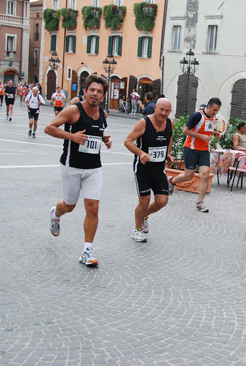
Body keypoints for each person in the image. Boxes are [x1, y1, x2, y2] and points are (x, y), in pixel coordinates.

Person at [44, 73, 113, 267]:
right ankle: (55, 214)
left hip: (93, 168)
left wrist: (104, 139)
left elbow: (96, 133)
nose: (95, 94)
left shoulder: (103, 115)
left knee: (93, 207)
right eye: (91, 90)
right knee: (69, 205)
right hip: (72, 166)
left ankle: (86, 252)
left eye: (99, 91)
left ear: (103, 96)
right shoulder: (73, 111)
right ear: (85, 92)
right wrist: (71, 137)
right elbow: (49, 128)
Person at [124, 98, 174, 243]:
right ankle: (137, 229)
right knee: (144, 201)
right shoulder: (144, 123)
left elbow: (169, 138)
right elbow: (127, 141)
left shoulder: (170, 123)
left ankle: (144, 216)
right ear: (155, 109)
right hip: (143, 170)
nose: (163, 113)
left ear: (170, 112)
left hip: (159, 170)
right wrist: (140, 153)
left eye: (167, 111)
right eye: (161, 109)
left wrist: (167, 154)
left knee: (162, 201)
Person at [168, 97, 222, 212]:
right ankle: (172, 181)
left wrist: (215, 133)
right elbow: (185, 130)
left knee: (205, 175)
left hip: (203, 150)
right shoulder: (197, 116)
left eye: (217, 110)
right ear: (208, 106)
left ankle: (200, 203)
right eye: (214, 109)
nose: (215, 112)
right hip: (191, 149)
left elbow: (207, 129)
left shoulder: (213, 118)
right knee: (189, 175)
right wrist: (201, 136)